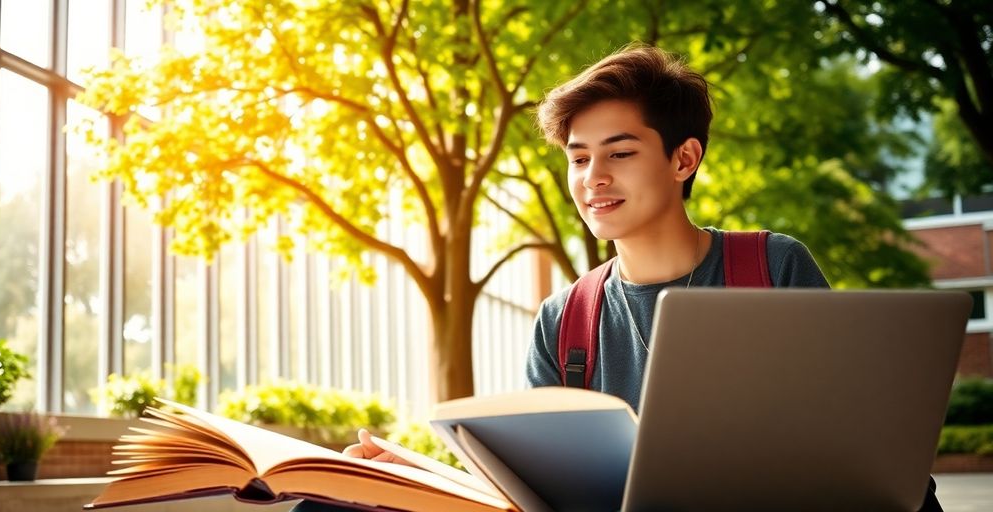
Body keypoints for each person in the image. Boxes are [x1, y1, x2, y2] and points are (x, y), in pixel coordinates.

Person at [303, 43, 942, 511]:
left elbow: (860, 450)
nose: (592, 179)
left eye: (620, 153)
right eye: (579, 159)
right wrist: (409, 475)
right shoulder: (565, 318)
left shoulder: (772, 267)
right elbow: (524, 489)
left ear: (683, 158)